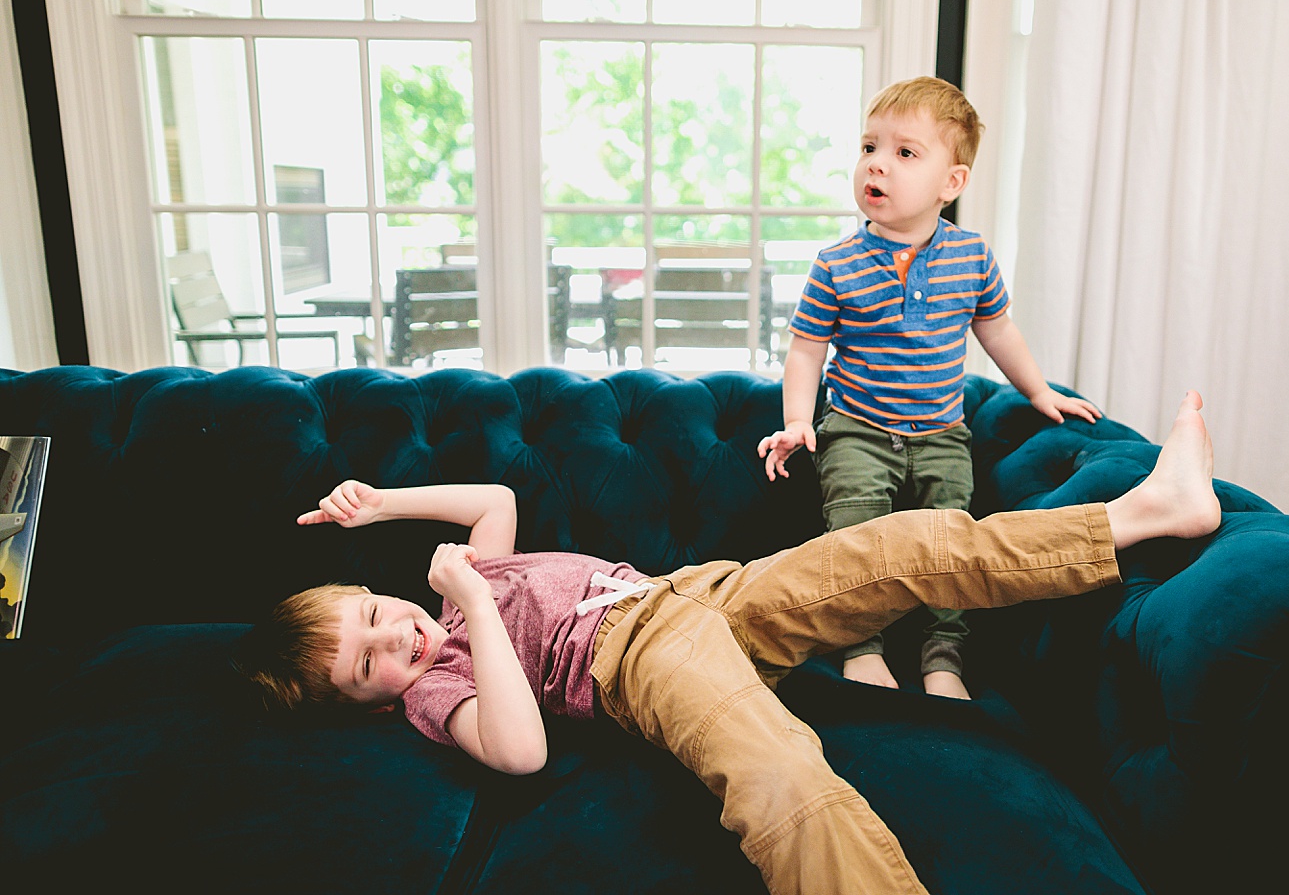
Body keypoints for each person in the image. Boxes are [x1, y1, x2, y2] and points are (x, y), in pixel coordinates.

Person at [237, 391, 1221, 895]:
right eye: (367, 665)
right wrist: (473, 610)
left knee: (905, 545)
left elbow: (494, 499)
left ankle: (1144, 515)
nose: (393, 641)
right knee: (780, 773)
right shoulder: (437, 682)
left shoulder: (458, 589)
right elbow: (521, 750)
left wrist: (381, 509)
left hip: (704, 595)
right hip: (639, 659)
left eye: (375, 616)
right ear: (371, 703)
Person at [758, 75, 1103, 700]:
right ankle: (860, 646)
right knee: (856, 537)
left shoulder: (971, 256)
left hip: (943, 434)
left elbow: (997, 330)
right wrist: (799, 421)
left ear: (952, 183)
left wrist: (1039, 392)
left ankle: (944, 657)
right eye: (869, 147)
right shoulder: (836, 264)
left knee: (951, 543)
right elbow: (807, 350)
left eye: (904, 152)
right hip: (859, 430)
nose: (877, 165)